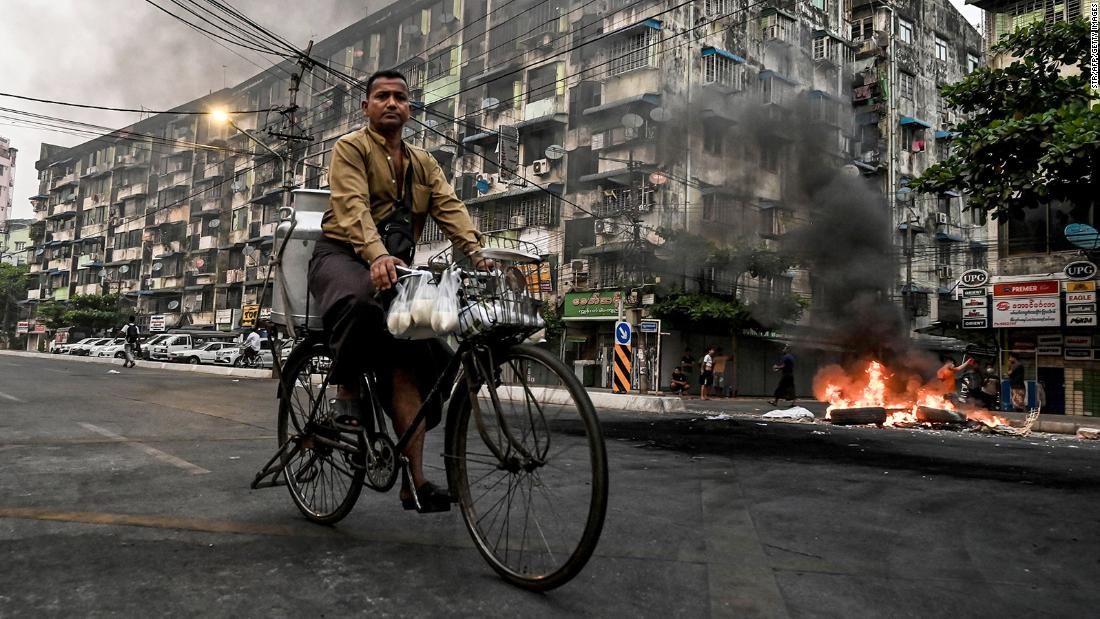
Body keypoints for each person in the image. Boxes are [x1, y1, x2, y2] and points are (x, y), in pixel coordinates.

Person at [308, 69, 482, 514]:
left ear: (410, 109)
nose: (391, 103)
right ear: (366, 106)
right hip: (343, 255)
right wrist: (376, 254)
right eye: (381, 96)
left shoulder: (424, 162)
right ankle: (346, 388)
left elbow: (449, 207)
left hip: (397, 267)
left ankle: (415, 482)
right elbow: (351, 207)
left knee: (419, 360)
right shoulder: (350, 148)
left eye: (399, 97)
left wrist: (477, 253)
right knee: (361, 301)